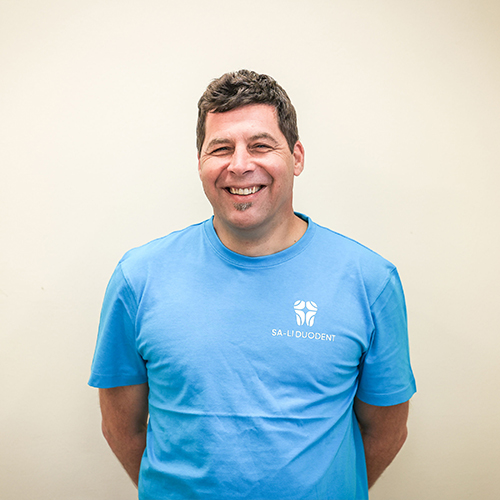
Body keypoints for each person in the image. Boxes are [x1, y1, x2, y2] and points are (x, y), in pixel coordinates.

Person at [89, 69, 416, 500]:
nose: (240, 165)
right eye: (220, 148)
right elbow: (121, 428)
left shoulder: (369, 281)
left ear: (296, 157)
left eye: (261, 145)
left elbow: (386, 430)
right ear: (200, 162)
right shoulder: (138, 278)